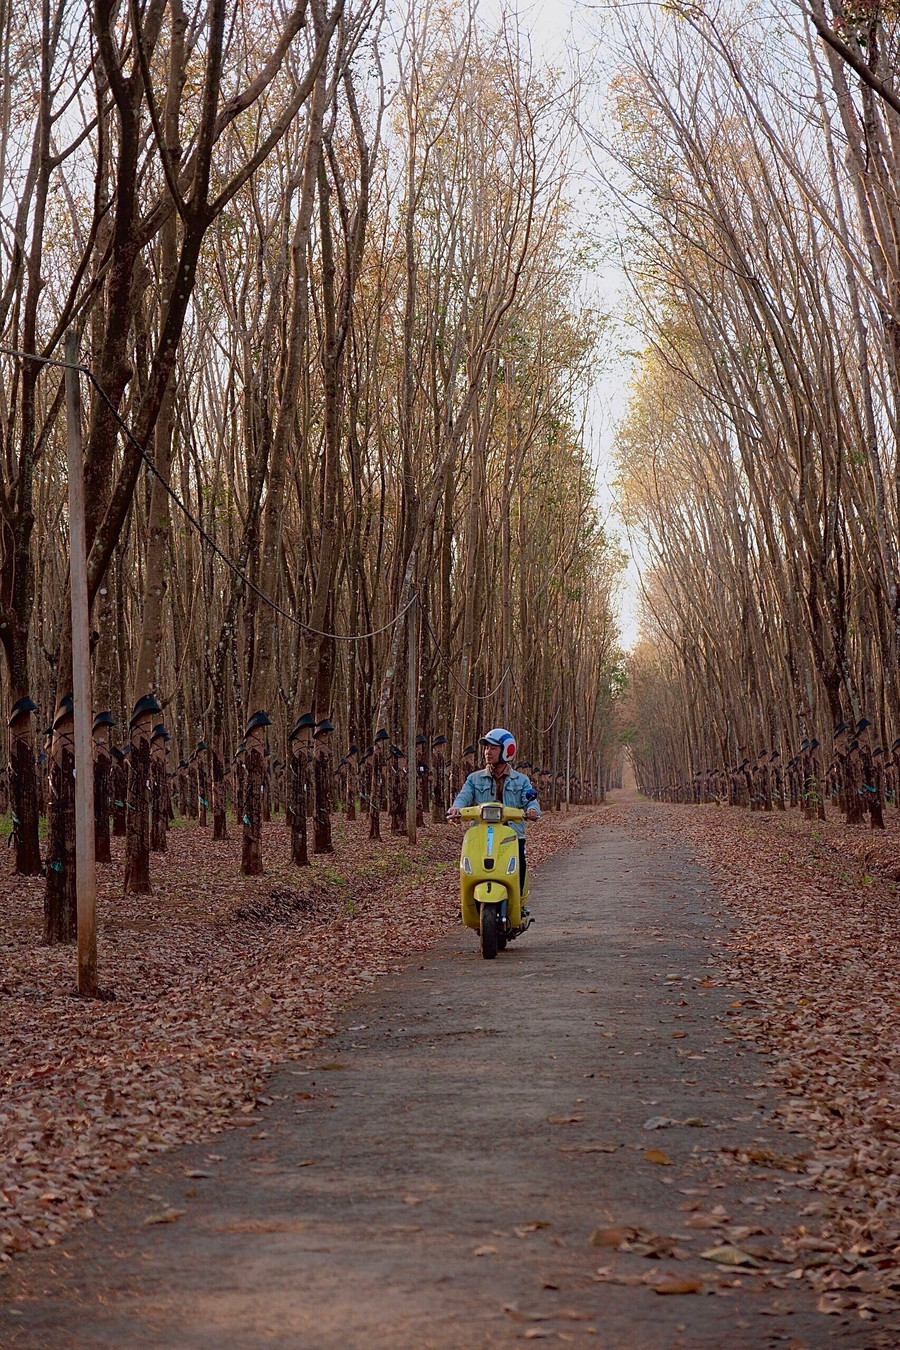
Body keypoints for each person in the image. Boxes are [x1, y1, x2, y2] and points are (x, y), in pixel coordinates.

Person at [447, 727, 540, 896]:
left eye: (493, 748)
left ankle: (517, 900)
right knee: (471, 866)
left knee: (518, 864)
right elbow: (464, 796)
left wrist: (532, 810)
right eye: (487, 748)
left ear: (506, 751)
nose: (488, 752)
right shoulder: (474, 779)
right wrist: (456, 808)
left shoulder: (521, 780)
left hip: (511, 834)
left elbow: (530, 800)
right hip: (481, 833)